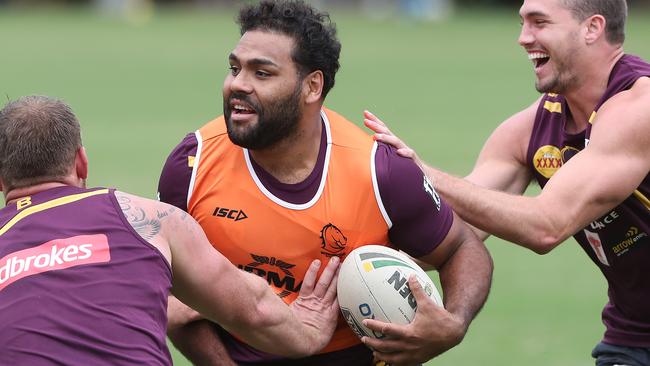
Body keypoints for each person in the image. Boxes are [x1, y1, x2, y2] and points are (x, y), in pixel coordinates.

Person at [158, 1, 493, 365]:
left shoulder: (380, 172)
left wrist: (453, 323)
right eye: (234, 68)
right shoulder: (191, 166)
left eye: (262, 73)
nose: (238, 85)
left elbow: (463, 249)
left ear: (312, 86)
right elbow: (170, 302)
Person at [364, 0, 650, 364]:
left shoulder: (639, 106)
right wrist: (351, 267)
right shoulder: (530, 131)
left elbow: (547, 225)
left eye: (539, 22)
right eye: (522, 22)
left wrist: (422, 174)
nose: (523, 37)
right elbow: (450, 232)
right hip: (632, 333)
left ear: (592, 28)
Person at [0, 95, 341, 365]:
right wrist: (307, 333)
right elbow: (253, 308)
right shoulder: (146, 218)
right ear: (81, 162)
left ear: (2, 180)